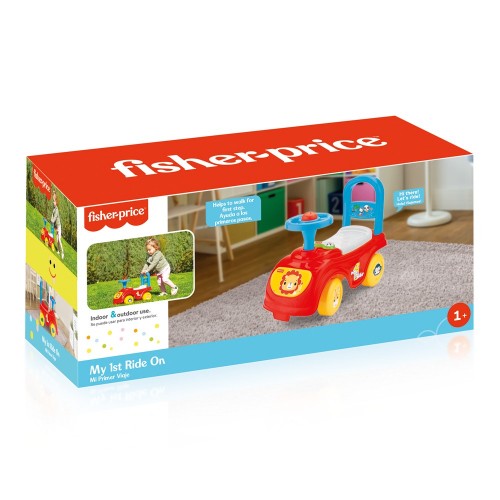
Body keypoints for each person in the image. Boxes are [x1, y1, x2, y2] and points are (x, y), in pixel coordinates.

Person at [51, 192, 64, 259]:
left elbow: (55, 217)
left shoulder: (57, 210)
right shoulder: (54, 208)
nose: (53, 203)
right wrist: (54, 195)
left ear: (56, 203)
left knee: (59, 240)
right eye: (53, 202)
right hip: (56, 226)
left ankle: (62, 253)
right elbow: (52, 215)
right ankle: (58, 251)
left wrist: (52, 221)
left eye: (54, 202)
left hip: (59, 226)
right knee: (56, 239)